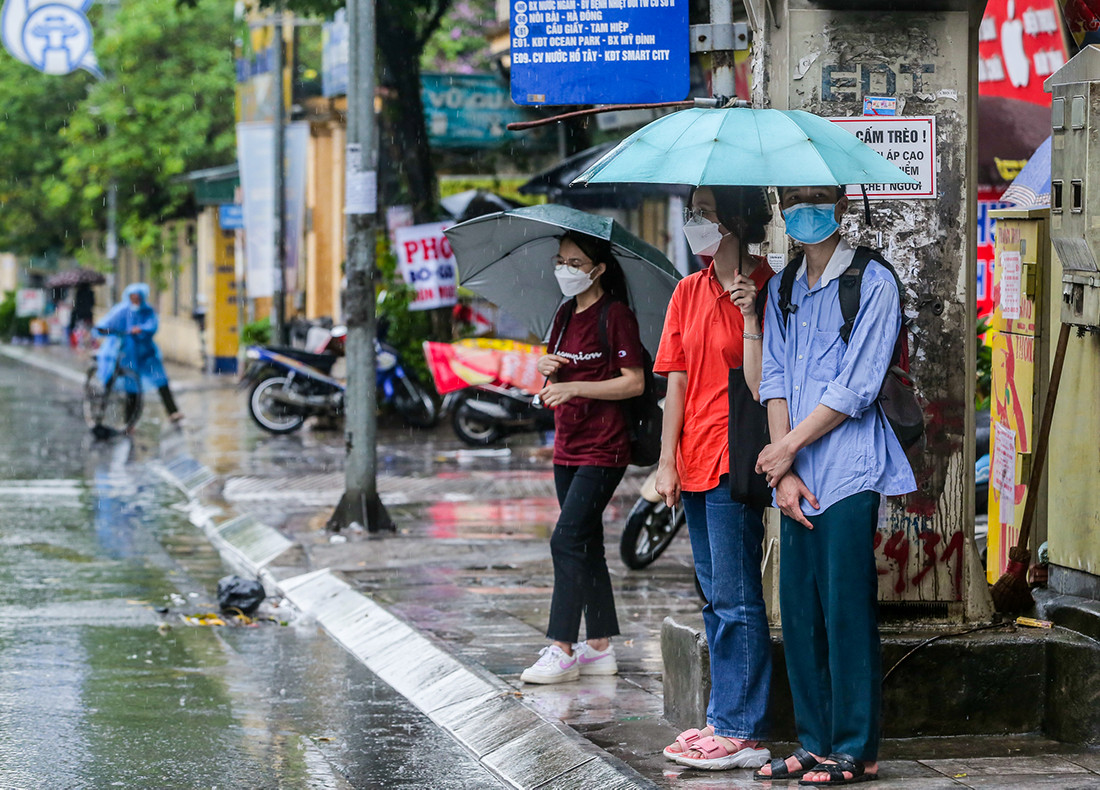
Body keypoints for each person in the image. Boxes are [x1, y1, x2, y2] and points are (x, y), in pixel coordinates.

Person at [753, 185, 916, 785]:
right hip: (794, 477)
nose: (805, 208)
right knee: (799, 611)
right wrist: (785, 470)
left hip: (849, 469)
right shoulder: (782, 287)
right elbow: (773, 376)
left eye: (817, 197)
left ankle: (856, 746)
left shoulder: (872, 281)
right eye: (794, 198)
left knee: (846, 609)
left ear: (842, 206)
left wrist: (786, 449)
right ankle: (814, 740)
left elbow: (858, 387)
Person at [654, 186, 775, 771]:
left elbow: (760, 384)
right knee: (712, 594)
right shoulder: (686, 291)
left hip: (737, 457)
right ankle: (723, 715)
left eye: (703, 212)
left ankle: (742, 729)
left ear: (731, 220)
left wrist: (751, 313)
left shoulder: (770, 285)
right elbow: (674, 383)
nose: (694, 222)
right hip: (694, 456)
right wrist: (664, 461)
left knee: (735, 595)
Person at [520, 230, 645, 684]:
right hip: (566, 444)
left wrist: (575, 386)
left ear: (598, 269)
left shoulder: (616, 315)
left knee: (566, 540)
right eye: (561, 261)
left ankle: (562, 647)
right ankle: (600, 646)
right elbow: (557, 366)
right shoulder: (563, 313)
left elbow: (634, 382)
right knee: (586, 542)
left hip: (604, 447)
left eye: (575, 263)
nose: (564, 270)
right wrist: (546, 366)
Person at [96, 283, 184, 424]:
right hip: (128, 355)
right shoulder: (122, 311)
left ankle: (172, 411)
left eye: (138, 297)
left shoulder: (147, 311)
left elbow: (152, 325)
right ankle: (127, 421)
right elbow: (107, 325)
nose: (135, 300)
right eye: (133, 297)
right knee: (131, 387)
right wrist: (105, 330)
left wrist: (141, 329)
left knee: (161, 381)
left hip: (146, 355)